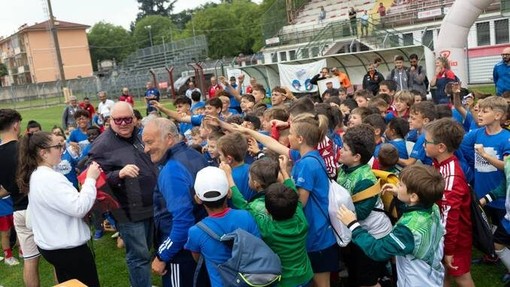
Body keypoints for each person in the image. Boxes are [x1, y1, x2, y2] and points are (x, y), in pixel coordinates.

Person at [337, 164, 446, 287]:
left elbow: (378, 250)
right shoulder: (433, 207)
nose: (397, 186)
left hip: (416, 282)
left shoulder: (407, 230)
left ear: (414, 196)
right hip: (433, 276)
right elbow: (413, 213)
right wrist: (400, 197)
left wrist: (353, 225)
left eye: (400, 185)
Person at [17, 131, 101, 286]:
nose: (63, 149)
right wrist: (91, 179)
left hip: (55, 247)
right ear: (43, 153)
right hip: (69, 251)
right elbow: (79, 207)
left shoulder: (38, 174)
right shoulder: (49, 178)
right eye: (58, 146)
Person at [88, 102, 158, 287]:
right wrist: (118, 174)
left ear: (134, 119)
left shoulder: (141, 135)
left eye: (128, 119)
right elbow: (91, 177)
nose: (124, 123)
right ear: (110, 120)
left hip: (152, 205)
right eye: (118, 120)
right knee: (139, 256)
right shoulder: (102, 145)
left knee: (147, 249)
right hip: (128, 211)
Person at [221, 156, 314, 287]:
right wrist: (284, 172)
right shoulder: (300, 217)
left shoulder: (267, 228)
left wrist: (228, 176)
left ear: (268, 212)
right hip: (305, 277)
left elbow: (242, 205)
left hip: (283, 282)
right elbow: (292, 192)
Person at [142, 117, 209, 287]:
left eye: (149, 142)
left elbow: (182, 223)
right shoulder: (194, 155)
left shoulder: (172, 170)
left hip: (181, 253)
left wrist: (162, 255)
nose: (146, 149)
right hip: (201, 245)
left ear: (169, 139)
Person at [185, 166, 260, 287]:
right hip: (249, 282)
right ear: (229, 193)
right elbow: (257, 247)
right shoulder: (246, 217)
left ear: (198, 198)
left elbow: (197, 258)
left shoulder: (195, 231)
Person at [336, 124, 392, 287]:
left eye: (344, 149)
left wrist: (334, 210)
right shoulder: (345, 168)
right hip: (358, 234)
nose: (340, 150)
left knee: (367, 281)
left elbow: (360, 213)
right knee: (356, 274)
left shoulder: (365, 179)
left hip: (373, 237)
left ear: (356, 157)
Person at [423, 118, 475, 287]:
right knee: (442, 273)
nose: (423, 145)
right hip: (444, 235)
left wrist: (449, 250)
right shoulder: (438, 163)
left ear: (441, 147)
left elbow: (449, 217)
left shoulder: (451, 177)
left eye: (426, 142)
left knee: (461, 276)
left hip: (455, 238)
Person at [1, 109, 40, 286]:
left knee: (30, 260)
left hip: (18, 210)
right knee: (56, 256)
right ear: (16, 125)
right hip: (37, 207)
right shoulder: (24, 148)